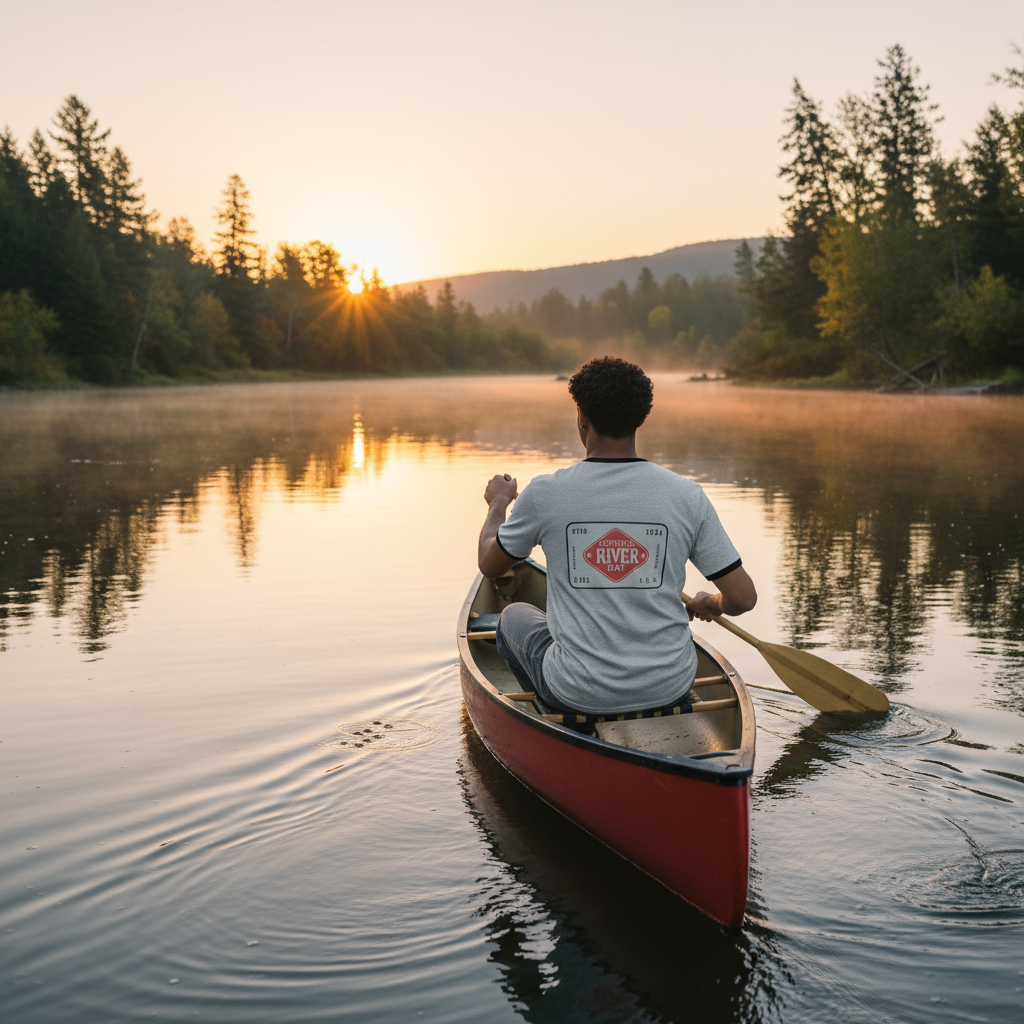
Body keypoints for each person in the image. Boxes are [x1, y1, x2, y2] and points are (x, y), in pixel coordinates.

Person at [477, 356, 756, 716]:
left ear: (582, 417)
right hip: (671, 685)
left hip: (577, 690)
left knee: (512, 617)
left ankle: (554, 713)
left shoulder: (545, 494)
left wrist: (499, 503)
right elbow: (743, 598)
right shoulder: (687, 496)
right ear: (639, 418)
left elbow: (490, 565)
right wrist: (711, 603)